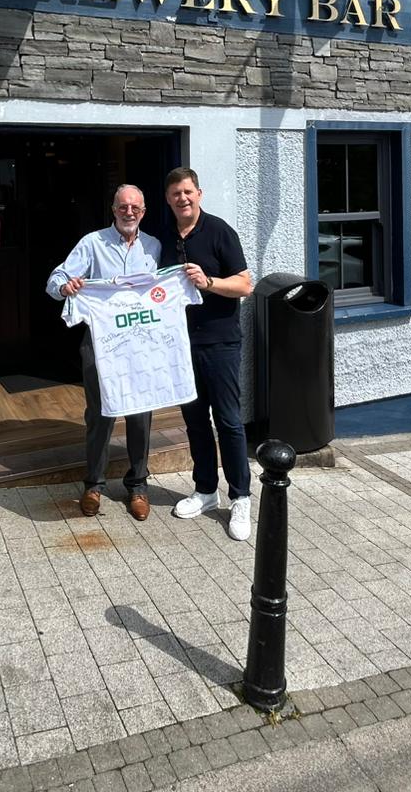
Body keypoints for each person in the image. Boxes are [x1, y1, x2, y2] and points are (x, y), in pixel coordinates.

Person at [47, 184, 162, 520]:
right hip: (100, 342)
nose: (129, 212)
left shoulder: (154, 247)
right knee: (100, 415)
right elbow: (56, 278)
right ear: (113, 210)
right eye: (123, 207)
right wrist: (65, 286)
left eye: (135, 207)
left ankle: (138, 486)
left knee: (140, 415)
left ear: (144, 212)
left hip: (139, 344)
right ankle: (94, 485)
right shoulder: (92, 243)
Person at [164, 166, 256, 541]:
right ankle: (205, 490)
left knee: (229, 421)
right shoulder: (163, 237)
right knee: (195, 421)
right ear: (168, 200)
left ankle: (241, 497)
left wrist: (209, 282)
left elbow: (245, 285)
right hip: (181, 345)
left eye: (188, 191)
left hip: (220, 343)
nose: (182, 198)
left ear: (199, 194)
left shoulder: (220, 231)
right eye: (176, 194)